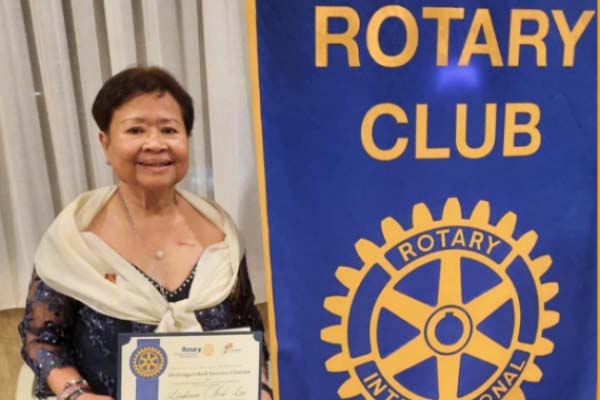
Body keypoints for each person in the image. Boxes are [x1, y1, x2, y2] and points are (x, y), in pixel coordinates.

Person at [18, 67, 272, 400]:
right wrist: (75, 393)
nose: (155, 144)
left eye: (169, 130)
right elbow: (42, 340)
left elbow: (247, 329)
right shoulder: (74, 239)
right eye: (135, 130)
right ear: (106, 144)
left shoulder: (221, 234)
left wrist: (261, 386)